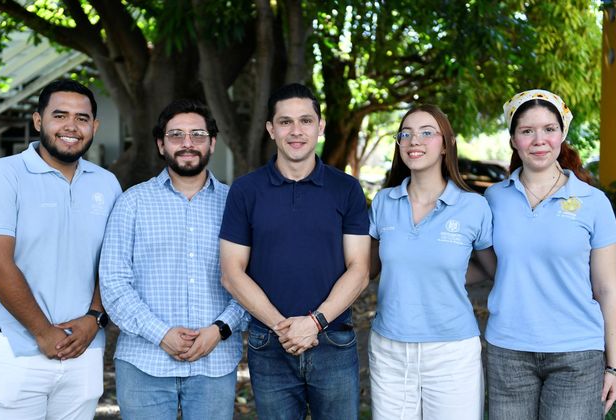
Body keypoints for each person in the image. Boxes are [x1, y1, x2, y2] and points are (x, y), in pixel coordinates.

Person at [0, 79, 122, 419]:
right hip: (14, 349)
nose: (71, 126)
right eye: (60, 115)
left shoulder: (106, 183)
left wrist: (95, 318)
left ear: (94, 127)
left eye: (82, 118)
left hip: (84, 348)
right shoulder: (0, 176)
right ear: (38, 121)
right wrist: (43, 332)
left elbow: (114, 261)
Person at [219, 83, 370, 419]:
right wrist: (283, 328)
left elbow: (359, 270)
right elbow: (231, 273)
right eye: (285, 122)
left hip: (333, 339)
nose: (296, 131)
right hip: (269, 342)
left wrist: (314, 323)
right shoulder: (245, 191)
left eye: (305, 121)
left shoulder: (346, 189)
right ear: (271, 129)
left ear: (320, 126)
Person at [99, 99, 246, 419]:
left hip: (215, 362)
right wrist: (160, 334)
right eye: (176, 135)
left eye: (198, 135)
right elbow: (113, 282)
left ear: (212, 143)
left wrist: (220, 329)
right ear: (160, 144)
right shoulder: (132, 203)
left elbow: (252, 280)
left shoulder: (236, 203)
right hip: (143, 362)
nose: (187, 143)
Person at [484, 89, 616, 419]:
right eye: (527, 131)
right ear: (513, 140)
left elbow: (607, 289)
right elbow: (490, 266)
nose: (539, 140)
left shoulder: (594, 202)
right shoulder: (492, 199)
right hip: (507, 350)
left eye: (549, 129)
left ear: (562, 135)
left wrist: (613, 366)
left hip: (577, 352)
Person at [367, 105, 494, 419]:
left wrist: (446, 275)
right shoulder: (383, 202)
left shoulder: (473, 206)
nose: (414, 140)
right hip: (389, 349)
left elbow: (491, 269)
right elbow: (368, 269)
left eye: (427, 132)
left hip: (452, 351)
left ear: (446, 144)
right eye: (406, 134)